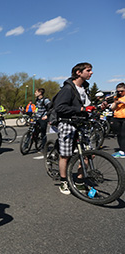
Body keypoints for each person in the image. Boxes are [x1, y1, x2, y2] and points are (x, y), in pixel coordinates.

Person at [52, 62, 93, 195]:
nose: (91, 73)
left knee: (86, 155)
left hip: (81, 124)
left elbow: (86, 106)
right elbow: (59, 107)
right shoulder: (68, 89)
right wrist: (80, 109)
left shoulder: (85, 88)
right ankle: (64, 181)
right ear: (78, 72)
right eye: (88, 70)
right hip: (67, 124)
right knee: (65, 156)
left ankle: (80, 181)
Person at [111, 84, 125, 157]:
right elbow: (112, 108)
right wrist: (116, 103)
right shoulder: (116, 97)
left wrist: (123, 103)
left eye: (121, 91)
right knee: (119, 134)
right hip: (117, 117)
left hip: (124, 117)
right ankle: (121, 149)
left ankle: (123, 151)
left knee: (123, 134)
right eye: (118, 91)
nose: (120, 93)